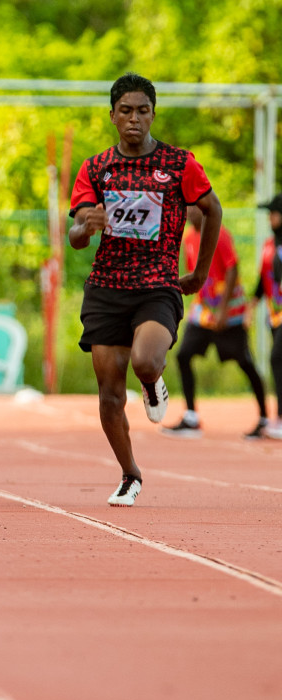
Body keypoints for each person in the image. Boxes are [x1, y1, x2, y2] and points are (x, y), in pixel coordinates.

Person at [69, 73, 221, 507]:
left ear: (153, 114)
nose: (134, 119)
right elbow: (77, 233)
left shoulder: (179, 164)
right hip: (106, 287)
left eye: (142, 111)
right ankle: (129, 473)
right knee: (110, 393)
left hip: (157, 285)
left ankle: (153, 382)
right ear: (113, 115)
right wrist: (86, 226)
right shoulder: (96, 168)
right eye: (126, 111)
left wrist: (199, 273)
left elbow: (213, 210)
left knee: (144, 360)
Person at [161, 207, 269, 439]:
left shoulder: (220, 234)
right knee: (183, 355)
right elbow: (196, 274)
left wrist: (222, 311)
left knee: (244, 362)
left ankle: (264, 417)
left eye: (192, 208)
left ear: (204, 209)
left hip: (229, 311)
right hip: (204, 310)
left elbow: (232, 269)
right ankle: (191, 417)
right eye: (186, 207)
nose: (188, 212)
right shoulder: (189, 237)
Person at [252, 194, 282, 438]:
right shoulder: (271, 245)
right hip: (276, 314)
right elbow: (264, 280)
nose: (270, 217)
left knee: (276, 358)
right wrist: (252, 305)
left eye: (273, 213)